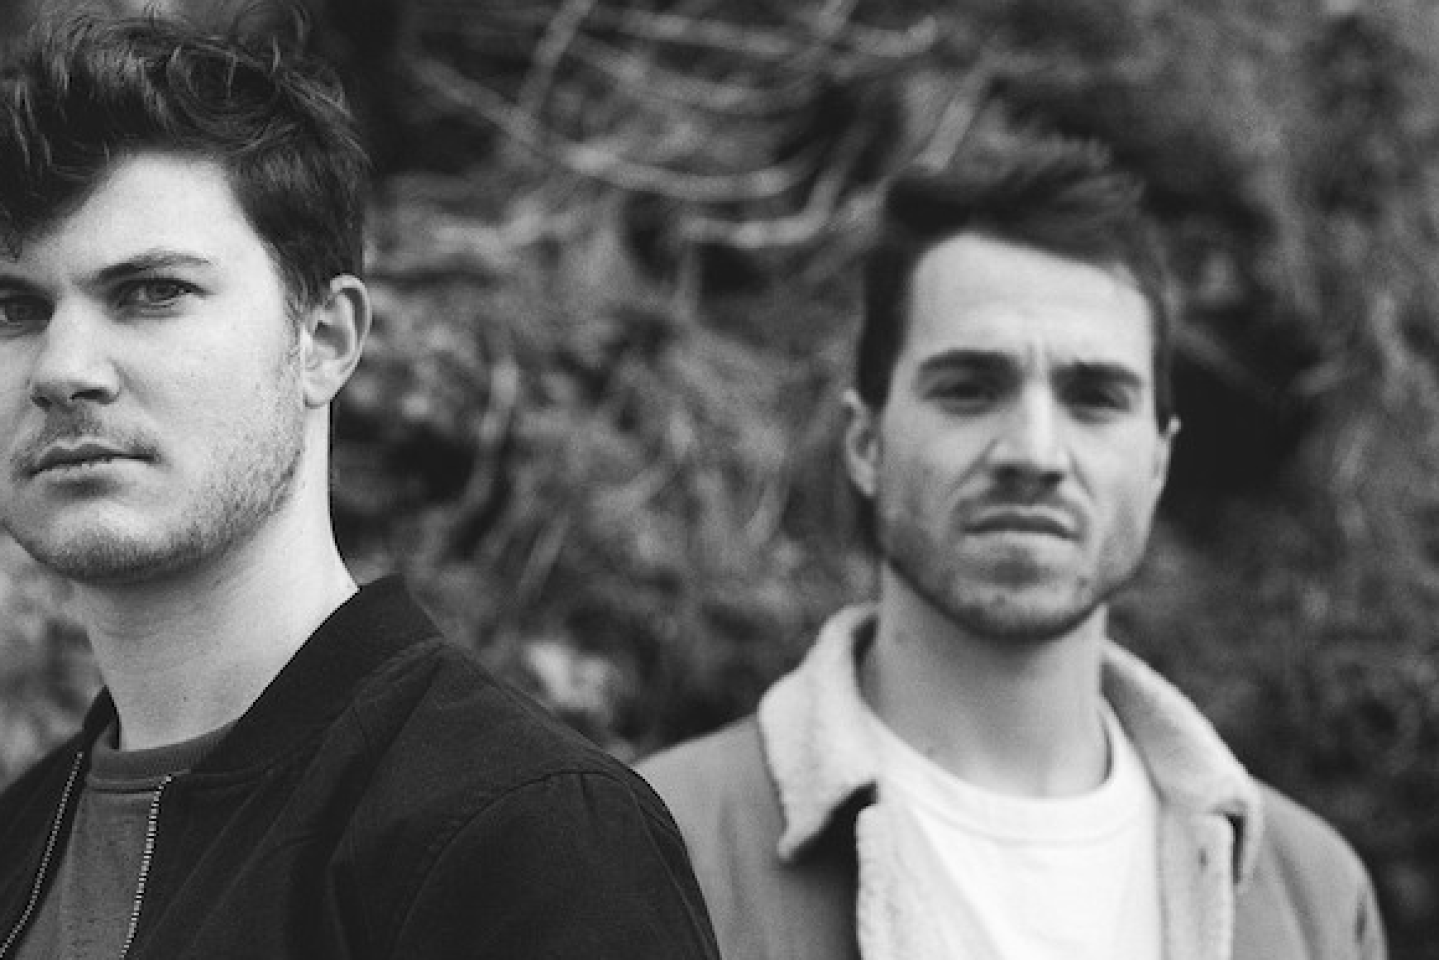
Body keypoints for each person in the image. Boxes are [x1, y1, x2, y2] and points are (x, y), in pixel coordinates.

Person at [0, 15, 718, 959]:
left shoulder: (523, 836)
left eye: (154, 292)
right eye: (13, 308)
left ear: (325, 341)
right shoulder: (17, 839)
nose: (64, 369)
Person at [640, 132, 1387, 960]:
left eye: (1094, 397)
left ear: (1156, 461)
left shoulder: (1314, 900)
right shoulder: (661, 848)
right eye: (969, 389)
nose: (1033, 452)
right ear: (864, 443)